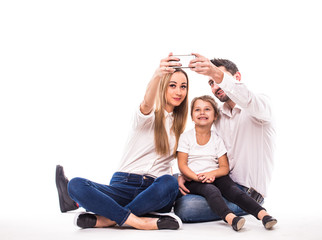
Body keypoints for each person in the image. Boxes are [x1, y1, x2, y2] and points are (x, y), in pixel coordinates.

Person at [55, 53, 189, 230]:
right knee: (76, 185)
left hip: (153, 191)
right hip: (123, 185)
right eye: (173, 85)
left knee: (169, 183)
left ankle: (108, 219)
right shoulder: (147, 116)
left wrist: (181, 176)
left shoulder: (181, 130)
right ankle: (139, 221)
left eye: (183, 87)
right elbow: (147, 102)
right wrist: (157, 74)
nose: (178, 92)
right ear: (163, 86)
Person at [174, 54, 276, 223]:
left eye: (218, 79)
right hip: (221, 182)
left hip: (247, 192)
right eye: (211, 82)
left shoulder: (259, 107)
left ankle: (252, 213)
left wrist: (216, 73)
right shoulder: (217, 116)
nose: (215, 86)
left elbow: (248, 98)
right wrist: (186, 174)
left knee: (185, 208)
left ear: (237, 78)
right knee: (171, 183)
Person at [177, 95, 277, 231]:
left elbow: (224, 167)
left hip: (216, 175)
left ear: (215, 116)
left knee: (234, 191)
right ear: (192, 116)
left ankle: (264, 215)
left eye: (207, 109)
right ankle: (231, 219)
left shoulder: (217, 139)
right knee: (211, 191)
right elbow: (182, 164)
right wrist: (198, 177)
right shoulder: (186, 137)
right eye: (197, 110)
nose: (202, 112)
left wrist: (212, 174)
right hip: (194, 178)